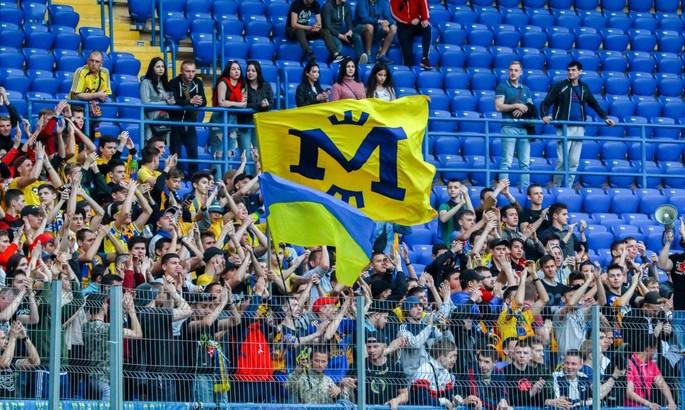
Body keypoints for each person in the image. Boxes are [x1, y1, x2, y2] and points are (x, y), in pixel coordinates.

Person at [540, 60, 616, 187]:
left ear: (580, 72)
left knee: (574, 161)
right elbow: (546, 102)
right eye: (569, 70)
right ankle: (557, 186)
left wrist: (605, 117)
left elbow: (594, 104)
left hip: (579, 127)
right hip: (564, 127)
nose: (570, 72)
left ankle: (568, 187)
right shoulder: (560, 86)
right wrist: (544, 115)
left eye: (573, 70)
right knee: (562, 160)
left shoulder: (584, 87)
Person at [496, 61, 534, 190]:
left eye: (516, 70)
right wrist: (516, 105)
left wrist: (524, 109)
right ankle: (503, 189)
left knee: (525, 163)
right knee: (506, 161)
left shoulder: (526, 89)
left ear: (521, 72)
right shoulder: (502, 87)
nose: (513, 72)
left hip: (524, 128)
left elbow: (531, 108)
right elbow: (498, 106)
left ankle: (525, 190)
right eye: (511, 70)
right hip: (509, 127)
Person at [209, 61, 248, 175]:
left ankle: (228, 180)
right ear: (228, 71)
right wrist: (238, 104)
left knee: (230, 152)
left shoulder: (242, 84)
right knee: (218, 152)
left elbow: (245, 103)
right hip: (219, 119)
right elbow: (221, 102)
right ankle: (217, 180)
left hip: (233, 120)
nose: (236, 71)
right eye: (233, 69)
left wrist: (231, 103)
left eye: (238, 69)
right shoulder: (223, 82)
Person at [168, 60, 205, 175]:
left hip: (190, 122)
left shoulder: (198, 82)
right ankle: (176, 176)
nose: (191, 74)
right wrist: (189, 101)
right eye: (188, 71)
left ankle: (194, 177)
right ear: (181, 71)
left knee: (193, 151)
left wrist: (199, 102)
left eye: (193, 71)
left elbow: (204, 101)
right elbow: (172, 100)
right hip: (176, 123)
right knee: (176, 152)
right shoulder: (173, 82)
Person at [69, 50, 112, 129]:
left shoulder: (105, 72)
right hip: (77, 108)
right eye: (92, 60)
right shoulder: (80, 71)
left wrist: (96, 97)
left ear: (101, 63)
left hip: (93, 109)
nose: (94, 64)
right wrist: (97, 95)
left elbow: (105, 95)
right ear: (88, 61)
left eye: (97, 61)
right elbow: (76, 95)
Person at [139, 57, 175, 142]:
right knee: (150, 146)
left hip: (164, 119)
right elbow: (146, 103)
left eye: (162, 67)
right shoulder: (145, 83)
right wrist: (165, 103)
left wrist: (172, 101)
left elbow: (169, 99)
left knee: (164, 146)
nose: (161, 69)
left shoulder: (165, 84)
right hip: (150, 119)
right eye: (158, 67)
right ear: (152, 68)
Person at [389, 0, 431, 69]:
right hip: (403, 25)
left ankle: (425, 58)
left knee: (427, 28)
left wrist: (423, 18)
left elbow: (424, 5)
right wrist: (409, 21)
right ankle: (409, 69)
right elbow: (394, 13)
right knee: (407, 56)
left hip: (416, 21)